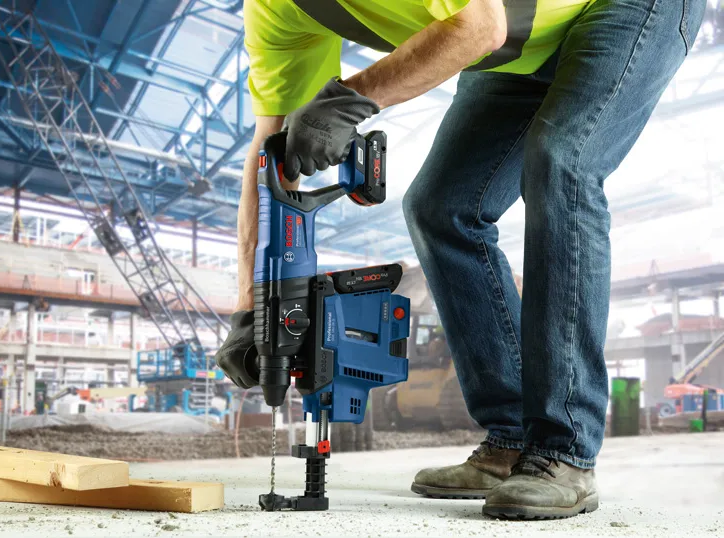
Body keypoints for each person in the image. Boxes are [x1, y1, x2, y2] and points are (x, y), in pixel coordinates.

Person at [216, 0, 705, 520]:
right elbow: (271, 151)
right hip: (524, 45)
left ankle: (565, 451)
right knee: (440, 208)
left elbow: (479, 27)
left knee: (561, 164)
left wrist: (350, 99)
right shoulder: (274, 11)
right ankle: (513, 436)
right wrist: (255, 307)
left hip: (625, 8)